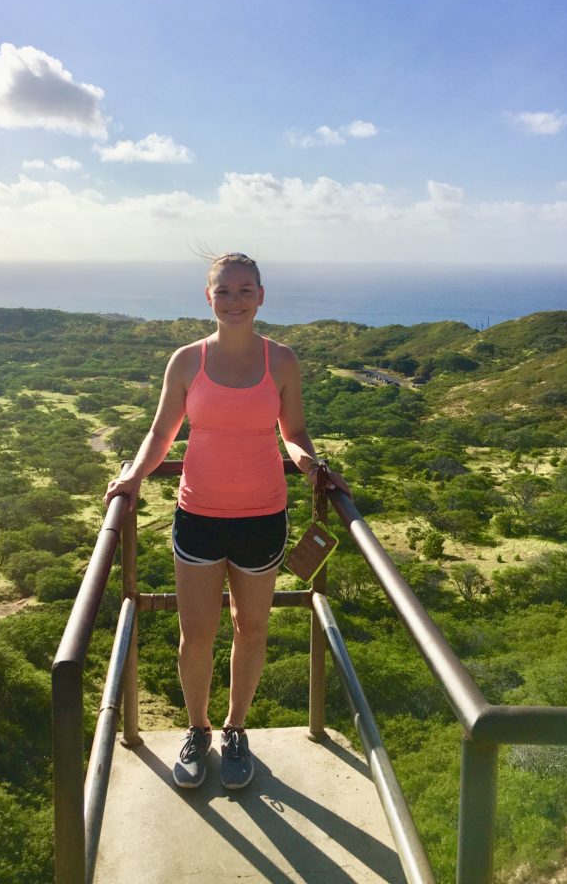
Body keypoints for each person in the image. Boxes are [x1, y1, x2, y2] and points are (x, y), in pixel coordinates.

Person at [103, 252, 350, 790]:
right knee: (196, 635)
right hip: (198, 515)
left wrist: (312, 463)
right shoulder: (186, 361)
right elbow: (161, 433)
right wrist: (133, 479)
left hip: (263, 516)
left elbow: (295, 432)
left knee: (251, 627)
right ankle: (198, 729)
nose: (234, 301)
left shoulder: (280, 361)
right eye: (224, 291)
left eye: (244, 291)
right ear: (208, 297)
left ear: (261, 296)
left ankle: (236, 730)